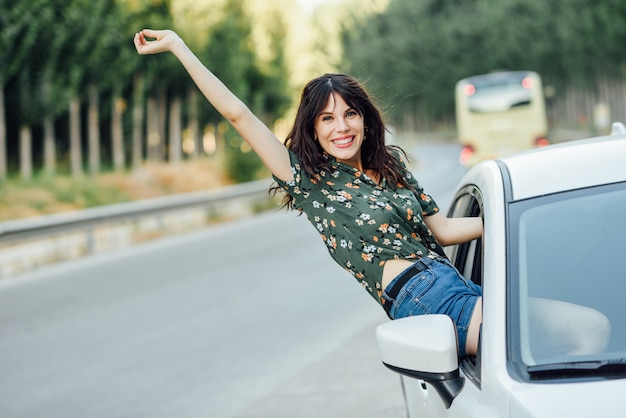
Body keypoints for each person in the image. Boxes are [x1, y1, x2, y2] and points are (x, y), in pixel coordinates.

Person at [132, 29, 484, 358]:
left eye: (350, 114)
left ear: (365, 120)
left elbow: (444, 231)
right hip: (420, 296)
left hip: (451, 277)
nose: (342, 127)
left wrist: (501, 217)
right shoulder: (310, 181)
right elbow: (237, 114)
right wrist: (179, 46)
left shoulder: (391, 165)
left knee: (535, 322)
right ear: (314, 130)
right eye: (327, 119)